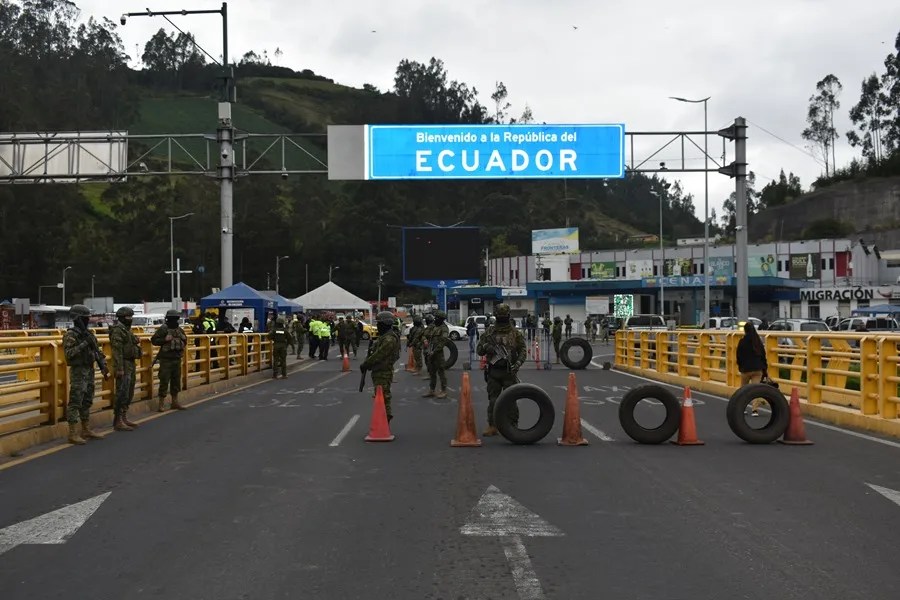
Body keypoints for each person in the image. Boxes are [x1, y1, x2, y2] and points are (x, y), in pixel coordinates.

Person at [62, 304, 110, 445]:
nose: (88, 320)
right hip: (78, 371)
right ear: (78, 319)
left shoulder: (89, 334)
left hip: (89, 369)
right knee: (76, 401)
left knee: (87, 400)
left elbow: (96, 352)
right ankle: (72, 433)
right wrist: (84, 344)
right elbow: (69, 355)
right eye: (85, 318)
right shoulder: (71, 335)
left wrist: (103, 366)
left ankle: (86, 429)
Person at [477, 303, 526, 436]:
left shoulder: (515, 333)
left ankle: (513, 425)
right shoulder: (490, 332)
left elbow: (522, 350)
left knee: (511, 400)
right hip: (494, 371)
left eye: (504, 316)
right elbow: (479, 350)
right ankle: (492, 425)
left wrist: (518, 363)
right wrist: (487, 347)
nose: (502, 318)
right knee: (493, 400)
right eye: (501, 316)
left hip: (509, 371)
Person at [360, 311, 401, 421]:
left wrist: (366, 364)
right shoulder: (384, 337)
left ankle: (385, 420)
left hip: (383, 371)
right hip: (379, 370)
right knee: (380, 396)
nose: (377, 326)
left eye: (379, 323)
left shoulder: (389, 339)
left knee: (383, 397)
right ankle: (382, 420)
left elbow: (379, 354)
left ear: (385, 324)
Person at [109, 306, 142, 432]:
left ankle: (124, 416)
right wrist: (119, 368)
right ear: (122, 318)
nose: (130, 319)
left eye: (131, 317)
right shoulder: (118, 330)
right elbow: (117, 351)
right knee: (122, 392)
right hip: (123, 364)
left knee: (129, 392)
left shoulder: (127, 330)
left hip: (130, 363)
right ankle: (117, 420)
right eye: (128, 317)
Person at [151, 309, 188, 412]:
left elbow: (185, 340)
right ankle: (161, 404)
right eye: (173, 318)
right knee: (164, 381)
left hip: (176, 358)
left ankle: (175, 402)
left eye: (176, 318)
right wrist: (164, 340)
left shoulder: (179, 330)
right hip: (166, 359)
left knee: (176, 382)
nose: (174, 320)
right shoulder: (163, 328)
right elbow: (154, 340)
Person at [737, 321, 768, 416]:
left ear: (745, 331)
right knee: (755, 390)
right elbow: (763, 356)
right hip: (757, 369)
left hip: (745, 369)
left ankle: (743, 409)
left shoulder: (742, 342)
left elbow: (739, 356)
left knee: (744, 390)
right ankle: (755, 410)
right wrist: (765, 369)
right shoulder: (758, 342)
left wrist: (740, 366)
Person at [423, 310, 449, 398]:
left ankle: (444, 390)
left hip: (438, 353)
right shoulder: (433, 326)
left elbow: (443, 342)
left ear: (441, 319)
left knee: (441, 372)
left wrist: (434, 351)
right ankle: (432, 390)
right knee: (432, 372)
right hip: (430, 352)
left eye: (437, 318)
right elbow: (425, 334)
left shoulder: (444, 329)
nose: (435, 319)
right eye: (435, 317)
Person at [420, 313, 435, 380]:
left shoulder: (433, 328)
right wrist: (425, 339)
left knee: (429, 361)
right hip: (429, 346)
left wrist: (425, 339)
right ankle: (431, 374)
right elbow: (423, 336)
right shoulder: (429, 328)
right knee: (429, 360)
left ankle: (431, 374)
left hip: (431, 347)